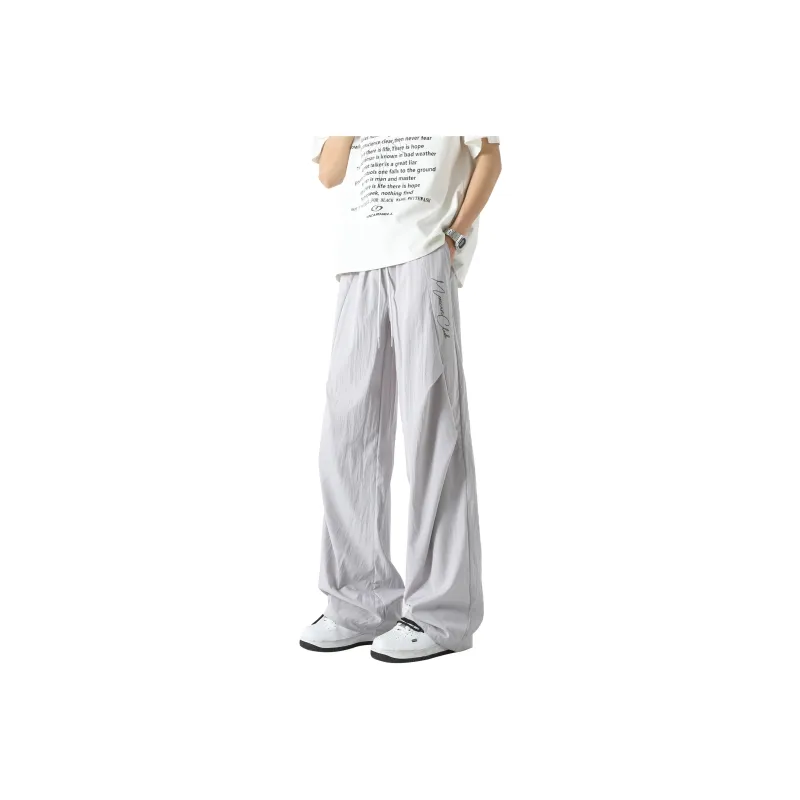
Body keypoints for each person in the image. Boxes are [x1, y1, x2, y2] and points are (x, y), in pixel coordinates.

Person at [299, 136, 502, 663]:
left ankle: (441, 613)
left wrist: (455, 234)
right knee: (347, 431)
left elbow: (489, 157)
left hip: (423, 250)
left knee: (433, 426)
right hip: (358, 261)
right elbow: (329, 173)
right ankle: (358, 603)